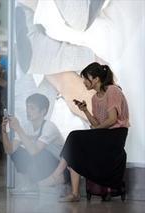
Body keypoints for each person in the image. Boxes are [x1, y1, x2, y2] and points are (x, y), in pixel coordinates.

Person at [40, 62, 129, 202]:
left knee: (75, 136)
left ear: (96, 79)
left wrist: (95, 131)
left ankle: (57, 175)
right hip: (104, 134)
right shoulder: (94, 98)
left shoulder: (112, 91)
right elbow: (97, 124)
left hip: (116, 136)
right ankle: (75, 193)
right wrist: (85, 111)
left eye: (86, 78)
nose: (84, 82)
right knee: (75, 146)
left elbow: (112, 120)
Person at [1, 93, 64, 182]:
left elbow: (34, 151)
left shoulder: (49, 127)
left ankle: (41, 179)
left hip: (58, 166)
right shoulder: (27, 126)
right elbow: (9, 150)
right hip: (43, 164)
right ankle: (31, 179)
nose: (28, 111)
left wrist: (18, 128)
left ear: (43, 111)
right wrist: (4, 131)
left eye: (32, 108)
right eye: (27, 107)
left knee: (39, 152)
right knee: (17, 152)